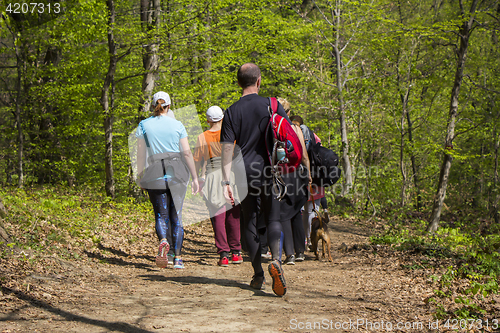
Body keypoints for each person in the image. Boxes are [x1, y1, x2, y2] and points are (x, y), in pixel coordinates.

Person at [220, 63, 288, 296]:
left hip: (243, 174)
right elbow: (286, 137)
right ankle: (277, 261)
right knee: (273, 217)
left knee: (249, 221)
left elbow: (227, 149)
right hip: (270, 170)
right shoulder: (273, 105)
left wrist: (225, 181)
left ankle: (258, 274)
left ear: (239, 83)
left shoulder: (231, 111)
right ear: (258, 81)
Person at [136, 91, 200, 270]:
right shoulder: (178, 124)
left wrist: (140, 175)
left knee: (160, 216)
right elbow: (187, 152)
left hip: (154, 173)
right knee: (177, 216)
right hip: (177, 173)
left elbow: (141, 153)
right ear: (169, 106)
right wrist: (195, 177)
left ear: (154, 105)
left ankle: (164, 241)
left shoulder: (144, 125)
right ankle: (178, 258)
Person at [194, 106, 242, 267]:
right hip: (231, 175)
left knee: (218, 216)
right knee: (233, 215)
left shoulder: (202, 137)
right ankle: (236, 252)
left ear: (208, 120)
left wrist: (196, 179)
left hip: (212, 177)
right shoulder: (230, 134)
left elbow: (197, 160)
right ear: (223, 118)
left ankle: (223, 254)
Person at [277, 98, 311, 265]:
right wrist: (309, 173)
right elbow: (303, 154)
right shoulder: (295, 128)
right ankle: (300, 252)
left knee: (283, 213)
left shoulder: (272, 125)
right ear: (289, 113)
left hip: (279, 173)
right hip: (295, 172)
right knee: (297, 210)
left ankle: (289, 253)